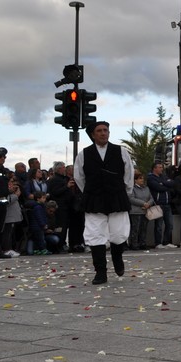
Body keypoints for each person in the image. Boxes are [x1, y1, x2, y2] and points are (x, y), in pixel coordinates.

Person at [74, 121, 134, 284]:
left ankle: (117, 259)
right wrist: (92, 191)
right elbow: (79, 177)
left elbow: (129, 174)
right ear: (93, 135)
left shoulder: (121, 151)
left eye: (105, 130)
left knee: (118, 233)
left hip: (116, 196)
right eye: (99, 131)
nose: (103, 133)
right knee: (95, 234)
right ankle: (100, 272)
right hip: (95, 198)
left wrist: (124, 192)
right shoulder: (83, 154)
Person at [147, 162, 175, 248]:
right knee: (158, 225)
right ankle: (158, 243)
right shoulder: (151, 178)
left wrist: (163, 183)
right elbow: (158, 188)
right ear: (154, 168)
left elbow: (172, 183)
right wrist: (166, 184)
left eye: (162, 167)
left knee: (170, 224)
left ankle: (166, 242)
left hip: (167, 204)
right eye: (159, 167)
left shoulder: (163, 177)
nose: (161, 169)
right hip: (158, 204)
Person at [128, 169, 155, 250]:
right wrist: (143, 203)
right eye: (140, 178)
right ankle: (134, 244)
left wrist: (149, 204)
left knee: (143, 228)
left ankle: (142, 243)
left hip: (145, 211)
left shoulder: (146, 188)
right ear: (135, 180)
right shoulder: (132, 188)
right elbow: (131, 198)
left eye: (142, 178)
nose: (142, 180)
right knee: (135, 229)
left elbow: (151, 198)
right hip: (135, 212)